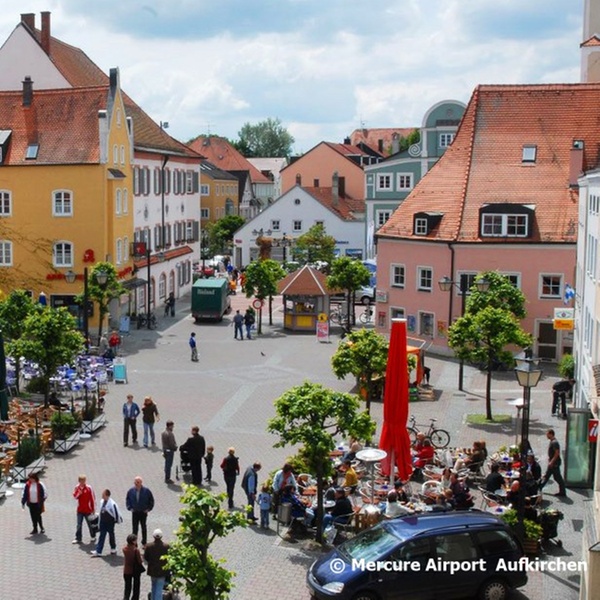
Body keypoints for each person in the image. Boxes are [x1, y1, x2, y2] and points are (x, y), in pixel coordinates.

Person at [91, 488, 122, 556]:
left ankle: (113, 548)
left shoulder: (112, 504)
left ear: (107, 495)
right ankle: (98, 551)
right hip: (103, 522)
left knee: (111, 535)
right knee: (102, 536)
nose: (102, 495)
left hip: (110, 522)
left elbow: (116, 513)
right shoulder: (102, 501)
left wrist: (117, 520)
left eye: (103, 494)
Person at [126, 476, 155, 547]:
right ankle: (134, 543)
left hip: (143, 512)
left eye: (138, 482)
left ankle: (144, 542)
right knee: (134, 528)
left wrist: (148, 509)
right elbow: (128, 499)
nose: (136, 483)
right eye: (135, 482)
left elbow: (151, 500)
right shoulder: (131, 491)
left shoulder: (146, 491)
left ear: (141, 483)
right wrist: (129, 508)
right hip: (135, 512)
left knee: (143, 527)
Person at [539, 428, 567, 497]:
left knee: (550, 476)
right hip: (553, 463)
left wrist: (551, 462)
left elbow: (557, 453)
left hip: (554, 464)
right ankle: (562, 491)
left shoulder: (554, 442)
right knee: (552, 477)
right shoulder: (552, 441)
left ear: (551, 434)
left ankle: (539, 488)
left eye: (547, 434)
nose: (546, 436)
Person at [144, 528, 170, 600]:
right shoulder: (166, 546)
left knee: (153, 587)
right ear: (161, 536)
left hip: (152, 570)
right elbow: (169, 558)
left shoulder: (148, 546)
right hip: (162, 571)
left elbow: (146, 557)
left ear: (153, 536)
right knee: (159, 589)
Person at [72, 474, 96, 544]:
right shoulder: (77, 487)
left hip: (88, 510)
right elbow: (75, 497)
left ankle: (93, 536)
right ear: (79, 481)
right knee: (79, 524)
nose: (83, 482)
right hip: (80, 510)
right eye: (82, 481)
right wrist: (79, 492)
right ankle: (78, 538)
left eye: (84, 481)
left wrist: (93, 508)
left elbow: (93, 498)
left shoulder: (89, 488)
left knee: (90, 524)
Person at [123, 533, 144, 600]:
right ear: (133, 541)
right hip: (135, 570)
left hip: (127, 570)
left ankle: (126, 598)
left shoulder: (124, 549)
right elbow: (140, 561)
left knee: (127, 587)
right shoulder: (136, 550)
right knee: (136, 586)